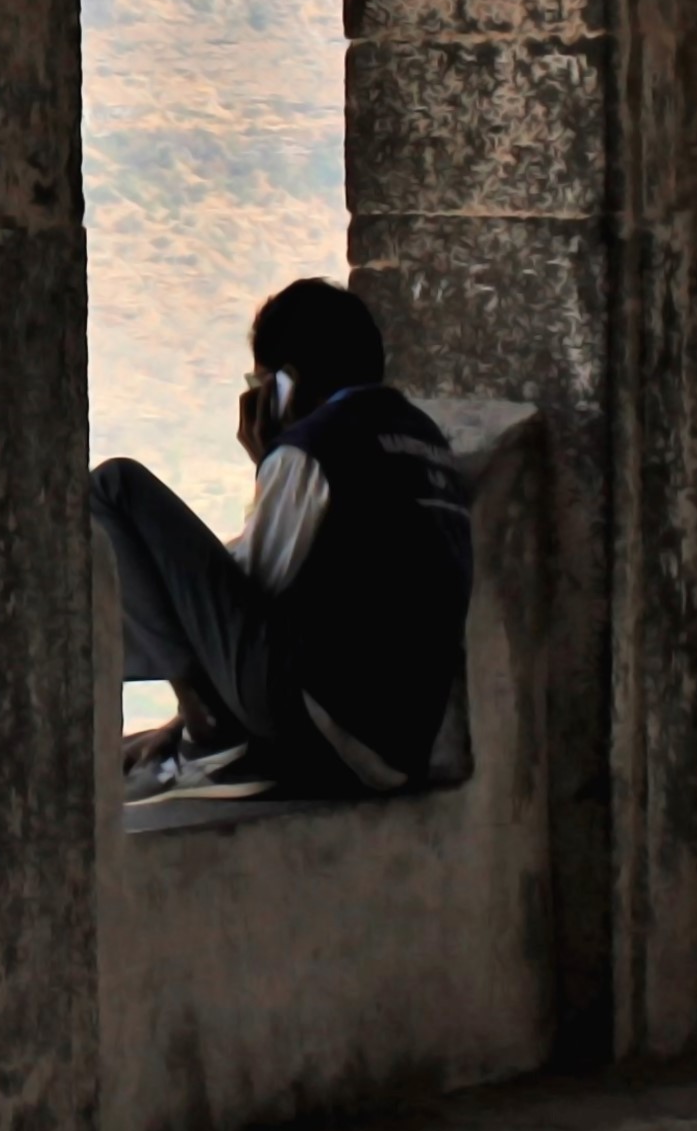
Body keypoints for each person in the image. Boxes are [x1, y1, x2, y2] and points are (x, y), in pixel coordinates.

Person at [90, 276, 474, 804]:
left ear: (283, 383)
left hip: (329, 732)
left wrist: (270, 463)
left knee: (114, 486)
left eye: (260, 380)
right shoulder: (425, 441)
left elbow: (253, 592)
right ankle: (197, 730)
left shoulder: (315, 447)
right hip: (403, 748)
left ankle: (209, 731)